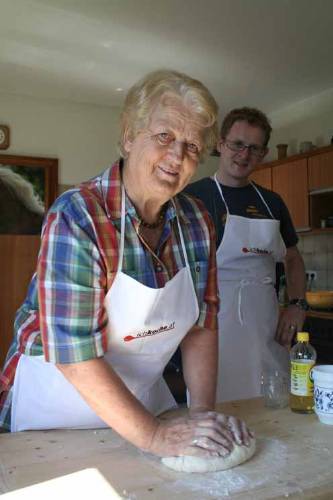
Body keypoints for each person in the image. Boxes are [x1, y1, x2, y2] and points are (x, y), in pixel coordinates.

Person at [0, 70, 252, 456]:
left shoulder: (197, 220)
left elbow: (202, 325)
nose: (177, 156)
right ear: (130, 136)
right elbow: (73, 353)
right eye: (164, 136)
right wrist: (155, 437)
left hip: (139, 403)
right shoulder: (78, 215)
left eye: (191, 146)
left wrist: (201, 415)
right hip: (54, 408)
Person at [185, 107, 307, 402]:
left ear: (263, 153)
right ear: (220, 144)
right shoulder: (191, 198)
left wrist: (297, 305)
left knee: (272, 403)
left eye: (254, 148)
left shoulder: (272, 202)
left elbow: (292, 258)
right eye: (238, 144)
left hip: (265, 322)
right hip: (211, 322)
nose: (244, 154)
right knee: (216, 404)